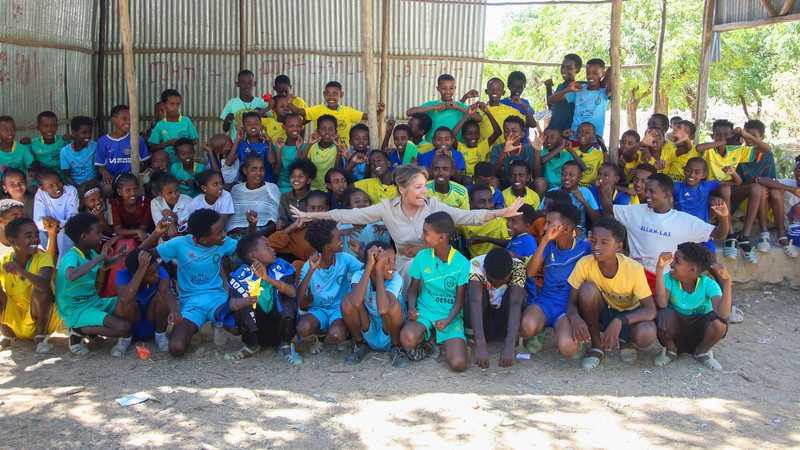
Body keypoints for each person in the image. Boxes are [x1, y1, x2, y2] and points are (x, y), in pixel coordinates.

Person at [290, 164, 524, 299]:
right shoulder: (386, 208)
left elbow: (467, 217)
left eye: (425, 185)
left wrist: (502, 212)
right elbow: (346, 215)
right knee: (403, 289)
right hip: (403, 266)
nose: (425, 190)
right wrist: (309, 216)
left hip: (434, 263)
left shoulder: (433, 204)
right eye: (419, 187)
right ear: (402, 189)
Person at [608, 173, 729, 294]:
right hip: (635, 275)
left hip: (665, 281)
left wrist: (724, 218)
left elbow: (719, 234)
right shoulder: (636, 211)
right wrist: (603, 190)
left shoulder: (684, 221)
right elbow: (609, 210)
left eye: (652, 191)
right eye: (647, 190)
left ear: (666, 194)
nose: (647, 195)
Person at [566, 217, 656, 370]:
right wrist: (575, 318)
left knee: (646, 334)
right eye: (594, 241)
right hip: (604, 312)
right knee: (587, 289)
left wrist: (620, 321)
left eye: (604, 243)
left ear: (619, 246)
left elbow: (650, 310)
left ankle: (627, 340)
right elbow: (572, 302)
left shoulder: (633, 269)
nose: (597, 247)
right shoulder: (585, 264)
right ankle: (596, 346)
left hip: (629, 315)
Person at [147, 208, 239, 356]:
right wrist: (156, 234)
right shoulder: (179, 244)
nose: (224, 234)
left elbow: (247, 248)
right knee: (176, 348)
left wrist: (251, 225)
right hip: (191, 303)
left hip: (217, 298)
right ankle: (195, 327)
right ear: (204, 239)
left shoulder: (224, 242)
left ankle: (217, 325)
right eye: (219, 232)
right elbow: (142, 255)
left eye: (222, 230)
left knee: (237, 327)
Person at [399, 212, 470, 371]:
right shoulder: (422, 256)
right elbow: (412, 289)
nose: (422, 236)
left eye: (426, 233)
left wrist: (448, 320)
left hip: (449, 316)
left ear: (441, 237)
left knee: (459, 364)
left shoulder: (462, 263)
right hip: (425, 312)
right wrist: (412, 308)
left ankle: (447, 341)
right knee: (406, 338)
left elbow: (459, 300)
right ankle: (431, 341)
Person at [55, 213, 134, 355]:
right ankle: (78, 330)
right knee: (122, 327)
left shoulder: (90, 253)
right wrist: (99, 259)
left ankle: (91, 329)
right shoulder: (72, 256)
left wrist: (119, 256)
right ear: (84, 237)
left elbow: (104, 265)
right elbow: (71, 275)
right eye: (98, 233)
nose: (101, 236)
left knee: (129, 302)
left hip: (94, 302)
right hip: (76, 309)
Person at [521, 201, 590, 356]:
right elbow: (530, 273)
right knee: (526, 327)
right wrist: (544, 241)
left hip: (568, 307)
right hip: (545, 301)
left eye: (550, 224)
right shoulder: (549, 245)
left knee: (568, 347)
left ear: (566, 229)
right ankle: (540, 329)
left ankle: (575, 341)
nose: (545, 228)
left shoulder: (584, 248)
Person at [696, 119, 770, 262]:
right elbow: (699, 148)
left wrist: (745, 134)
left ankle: (744, 237)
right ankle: (730, 235)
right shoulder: (709, 150)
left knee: (756, 188)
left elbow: (766, 149)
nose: (722, 137)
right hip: (711, 192)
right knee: (725, 188)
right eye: (718, 135)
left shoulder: (736, 150)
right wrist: (726, 141)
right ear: (712, 136)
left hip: (729, 190)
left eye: (726, 135)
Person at [653, 243, 731, 371]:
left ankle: (702, 352)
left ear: (692, 269)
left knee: (720, 322)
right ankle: (671, 350)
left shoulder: (708, 284)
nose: (671, 264)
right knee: (662, 313)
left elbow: (723, 314)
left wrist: (727, 283)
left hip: (699, 331)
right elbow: (662, 304)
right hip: (675, 331)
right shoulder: (668, 279)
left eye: (677, 261)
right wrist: (659, 269)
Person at [227, 233, 301, 364]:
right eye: (267, 247)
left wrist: (267, 278)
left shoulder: (281, 267)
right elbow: (231, 305)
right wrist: (245, 300)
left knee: (285, 299)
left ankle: (285, 344)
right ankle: (251, 346)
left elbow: (293, 293)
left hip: (281, 327)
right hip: (257, 329)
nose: (273, 250)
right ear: (253, 256)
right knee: (242, 303)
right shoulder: (242, 276)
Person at [296, 219, 363, 354]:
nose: (342, 241)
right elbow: (300, 295)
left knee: (337, 335)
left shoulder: (344, 258)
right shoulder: (310, 264)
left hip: (340, 309)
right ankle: (320, 330)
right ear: (328, 246)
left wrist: (359, 252)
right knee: (303, 329)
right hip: (319, 309)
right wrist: (311, 271)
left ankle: (345, 331)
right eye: (338, 239)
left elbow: (366, 269)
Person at [341, 241, 408, 367]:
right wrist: (370, 266)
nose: (393, 266)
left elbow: (383, 309)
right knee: (347, 300)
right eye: (387, 261)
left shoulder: (396, 279)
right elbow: (355, 303)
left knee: (392, 305)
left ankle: (396, 347)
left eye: (393, 261)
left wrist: (378, 269)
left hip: (389, 329)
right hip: (369, 328)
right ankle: (360, 343)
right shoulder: (359, 275)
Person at [0, 217, 61, 353]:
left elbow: (44, 285)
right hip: (17, 322)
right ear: (12, 242)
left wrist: (22, 272)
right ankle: (8, 335)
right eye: (29, 236)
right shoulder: (5, 262)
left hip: (42, 320)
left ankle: (41, 337)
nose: (35, 239)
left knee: (39, 289)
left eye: (37, 235)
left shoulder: (42, 258)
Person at [467, 247, 526, 368]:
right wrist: (481, 343)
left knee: (521, 295)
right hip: (484, 316)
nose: (497, 285)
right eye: (493, 281)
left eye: (502, 281)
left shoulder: (517, 266)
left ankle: (514, 338)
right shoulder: (476, 264)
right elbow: (475, 303)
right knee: (472, 294)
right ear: (486, 271)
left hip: (503, 319)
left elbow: (515, 304)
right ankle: (472, 336)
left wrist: (509, 344)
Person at [116, 248, 181, 353]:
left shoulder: (161, 271)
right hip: (131, 326)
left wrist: (174, 309)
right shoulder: (123, 275)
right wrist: (142, 268)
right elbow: (125, 299)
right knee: (123, 302)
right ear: (136, 273)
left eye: (156, 271)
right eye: (152, 273)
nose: (157, 275)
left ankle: (160, 335)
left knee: (162, 297)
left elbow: (166, 291)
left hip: (152, 325)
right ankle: (125, 339)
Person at [673, 157, 741, 253]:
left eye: (697, 172)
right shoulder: (677, 187)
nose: (692, 174)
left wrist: (732, 172)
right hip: (682, 232)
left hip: (701, 230)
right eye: (689, 170)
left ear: (704, 175)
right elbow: (661, 187)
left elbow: (737, 182)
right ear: (684, 170)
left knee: (712, 261)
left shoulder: (706, 186)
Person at [289, 81, 383, 148]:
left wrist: (379, 111)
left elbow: (367, 116)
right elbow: (298, 111)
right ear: (324, 94)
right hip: (320, 152)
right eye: (328, 94)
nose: (331, 97)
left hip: (342, 152)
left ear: (341, 95)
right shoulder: (317, 110)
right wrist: (289, 103)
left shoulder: (347, 112)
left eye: (335, 94)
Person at [547, 58, 611, 138]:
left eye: (594, 73)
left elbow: (610, 81)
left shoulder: (603, 92)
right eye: (588, 73)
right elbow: (551, 100)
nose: (590, 76)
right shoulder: (579, 89)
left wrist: (614, 62)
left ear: (603, 74)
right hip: (575, 138)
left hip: (594, 139)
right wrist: (568, 89)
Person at [406, 74, 482, 142]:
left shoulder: (460, 105)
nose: (448, 92)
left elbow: (479, 119)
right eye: (444, 88)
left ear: (455, 88)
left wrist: (458, 107)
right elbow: (409, 112)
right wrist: (434, 107)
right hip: (433, 148)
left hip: (456, 149)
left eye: (451, 88)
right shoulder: (432, 104)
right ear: (438, 88)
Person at [96, 105, 151, 197]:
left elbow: (144, 164)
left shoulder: (137, 139)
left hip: (132, 177)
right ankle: (112, 210)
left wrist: (129, 173)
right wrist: (104, 172)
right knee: (107, 188)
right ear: (113, 120)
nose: (128, 122)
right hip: (113, 177)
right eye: (124, 118)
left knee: (141, 185)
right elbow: (100, 165)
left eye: (130, 118)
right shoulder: (103, 141)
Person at [754, 159, 800, 256]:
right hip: (795, 229)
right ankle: (780, 236)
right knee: (775, 190)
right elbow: (761, 180)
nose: (798, 173)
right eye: (797, 170)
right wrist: (792, 190)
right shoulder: (790, 183)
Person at [228, 153, 280, 236]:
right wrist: (240, 231)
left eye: (262, 169)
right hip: (240, 234)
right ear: (245, 171)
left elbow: (275, 219)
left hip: (265, 234)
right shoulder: (237, 190)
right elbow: (232, 221)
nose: (258, 173)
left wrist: (259, 234)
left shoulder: (271, 188)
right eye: (254, 169)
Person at [457, 183, 511, 258]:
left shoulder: (500, 218)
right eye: (482, 202)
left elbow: (512, 243)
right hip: (476, 265)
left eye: (490, 200)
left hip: (499, 262)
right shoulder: (466, 220)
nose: (488, 206)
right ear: (471, 204)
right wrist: (451, 229)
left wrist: (487, 239)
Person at [147, 89, 199, 165]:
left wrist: (181, 143)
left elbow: (194, 141)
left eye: (177, 104)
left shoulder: (186, 121)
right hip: (167, 165)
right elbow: (153, 147)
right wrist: (169, 143)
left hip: (183, 165)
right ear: (164, 105)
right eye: (171, 104)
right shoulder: (160, 125)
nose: (175, 108)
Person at [452, 104, 501, 184]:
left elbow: (498, 132)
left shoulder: (483, 146)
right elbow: (452, 136)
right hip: (466, 183)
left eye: (476, 133)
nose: (473, 137)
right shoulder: (460, 147)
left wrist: (487, 112)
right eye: (469, 134)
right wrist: (467, 115)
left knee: (495, 180)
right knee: (467, 180)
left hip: (482, 182)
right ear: (463, 136)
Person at [33, 167, 79, 252]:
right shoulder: (40, 194)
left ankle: (63, 263)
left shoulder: (71, 191)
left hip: (65, 228)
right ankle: (47, 259)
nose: (57, 187)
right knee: (38, 232)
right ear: (42, 188)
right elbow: (38, 220)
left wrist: (57, 224)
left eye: (58, 182)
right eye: (51, 186)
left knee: (63, 234)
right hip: (49, 229)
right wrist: (49, 225)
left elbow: (74, 219)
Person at [228, 111, 276, 184]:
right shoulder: (242, 145)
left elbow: (272, 161)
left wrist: (270, 142)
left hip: (267, 183)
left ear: (261, 127)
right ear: (244, 128)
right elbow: (228, 162)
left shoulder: (266, 144)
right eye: (249, 124)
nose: (253, 126)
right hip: (248, 184)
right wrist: (237, 140)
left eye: (256, 124)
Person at [220, 69, 269, 141]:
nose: (247, 86)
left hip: (258, 145)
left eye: (250, 82)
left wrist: (265, 115)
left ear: (254, 83)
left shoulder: (261, 103)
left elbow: (269, 125)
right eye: (243, 82)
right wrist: (227, 121)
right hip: (238, 146)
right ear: (238, 84)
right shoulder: (232, 103)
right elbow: (225, 129)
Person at [480, 78, 532, 144]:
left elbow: (532, 124)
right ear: (486, 91)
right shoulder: (480, 109)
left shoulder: (510, 110)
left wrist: (522, 104)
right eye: (491, 89)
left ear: (503, 92)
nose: (494, 92)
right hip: (483, 152)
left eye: (498, 89)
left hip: (503, 150)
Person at [490, 117, 536, 188]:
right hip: (502, 187)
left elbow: (536, 176)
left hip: (524, 187)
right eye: (506, 131)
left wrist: (538, 152)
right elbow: (494, 175)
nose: (509, 134)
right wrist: (503, 153)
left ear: (522, 134)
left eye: (514, 131)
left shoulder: (528, 149)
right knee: (493, 181)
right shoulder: (497, 148)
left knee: (540, 181)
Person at [545, 54, 587, 132]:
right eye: (563, 67)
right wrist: (548, 88)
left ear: (577, 70)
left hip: (567, 133)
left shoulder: (580, 87)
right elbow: (551, 105)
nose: (564, 70)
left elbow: (598, 85)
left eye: (569, 68)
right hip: (554, 131)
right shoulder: (560, 86)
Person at [302, 115, 344, 191]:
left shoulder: (338, 147)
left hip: (332, 189)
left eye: (330, 129)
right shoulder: (313, 146)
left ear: (336, 132)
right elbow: (301, 163)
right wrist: (308, 144)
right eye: (323, 129)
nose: (327, 132)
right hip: (314, 188)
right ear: (317, 131)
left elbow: (337, 168)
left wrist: (338, 148)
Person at [554, 160, 598, 231]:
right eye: (563, 174)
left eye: (571, 175)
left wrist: (583, 201)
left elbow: (597, 219)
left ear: (580, 177)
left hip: (579, 234)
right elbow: (539, 213)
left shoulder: (586, 192)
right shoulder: (554, 192)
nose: (567, 177)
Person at [150, 172, 191, 237]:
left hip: (183, 236)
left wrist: (173, 217)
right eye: (169, 193)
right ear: (160, 194)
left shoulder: (187, 200)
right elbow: (160, 226)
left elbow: (183, 225)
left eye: (177, 190)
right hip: (165, 237)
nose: (174, 195)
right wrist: (172, 224)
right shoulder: (156, 203)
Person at [29, 111, 70, 176]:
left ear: (57, 127)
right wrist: (31, 168)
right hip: (42, 178)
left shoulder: (63, 140)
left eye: (53, 126)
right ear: (38, 127)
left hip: (61, 178)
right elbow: (20, 153)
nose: (50, 130)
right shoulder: (33, 143)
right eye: (45, 126)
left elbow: (80, 144)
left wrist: (73, 138)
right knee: (32, 186)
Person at [277, 158, 315, 228]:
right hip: (291, 232)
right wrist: (282, 224)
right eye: (293, 176)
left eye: (300, 176)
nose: (296, 179)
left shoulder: (314, 198)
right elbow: (283, 219)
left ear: (308, 180)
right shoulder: (285, 198)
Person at [60, 116, 97, 187]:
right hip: (74, 186)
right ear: (74, 132)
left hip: (93, 184)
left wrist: (90, 184)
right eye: (84, 133)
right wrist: (79, 187)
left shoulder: (96, 147)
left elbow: (99, 172)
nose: (88, 136)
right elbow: (67, 176)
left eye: (90, 132)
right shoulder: (65, 151)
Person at [274, 113, 307, 194]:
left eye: (298, 126)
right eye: (291, 126)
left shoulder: (305, 147)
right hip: (282, 188)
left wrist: (299, 149)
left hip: (299, 189)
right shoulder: (277, 147)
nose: (295, 129)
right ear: (284, 128)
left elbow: (302, 168)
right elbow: (276, 173)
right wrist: (279, 152)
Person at [535, 126, 576, 190]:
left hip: (564, 189)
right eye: (545, 137)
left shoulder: (566, 155)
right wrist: (560, 147)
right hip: (546, 189)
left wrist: (571, 150)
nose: (548, 140)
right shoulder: (541, 153)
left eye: (552, 137)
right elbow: (543, 161)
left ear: (560, 139)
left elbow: (582, 168)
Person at [500, 71, 536, 141]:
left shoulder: (525, 104)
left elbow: (532, 124)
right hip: (504, 143)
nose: (517, 89)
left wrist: (522, 105)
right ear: (508, 86)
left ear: (524, 86)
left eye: (520, 87)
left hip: (522, 144)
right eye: (514, 86)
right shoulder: (502, 103)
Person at [572, 122, 605, 187]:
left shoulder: (598, 154)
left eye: (587, 132)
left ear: (593, 137)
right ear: (576, 135)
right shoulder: (571, 150)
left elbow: (606, 169)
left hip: (591, 189)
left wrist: (604, 149)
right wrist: (563, 135)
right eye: (580, 132)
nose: (583, 135)